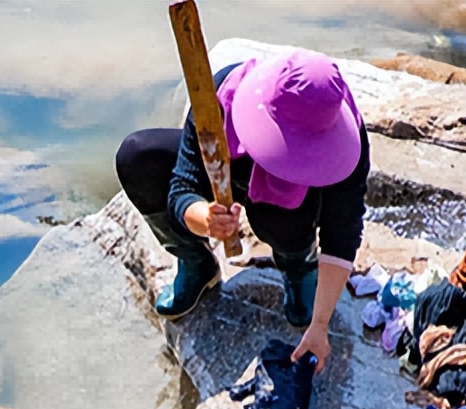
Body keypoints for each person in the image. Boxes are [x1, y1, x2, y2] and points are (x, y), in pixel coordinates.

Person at [115, 48, 370, 373]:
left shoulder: (347, 140)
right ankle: (196, 264)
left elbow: (342, 233)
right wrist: (204, 218)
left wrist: (320, 324)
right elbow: (183, 185)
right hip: (231, 167)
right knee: (137, 156)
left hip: (291, 200)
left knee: (276, 218)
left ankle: (299, 267)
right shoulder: (221, 96)